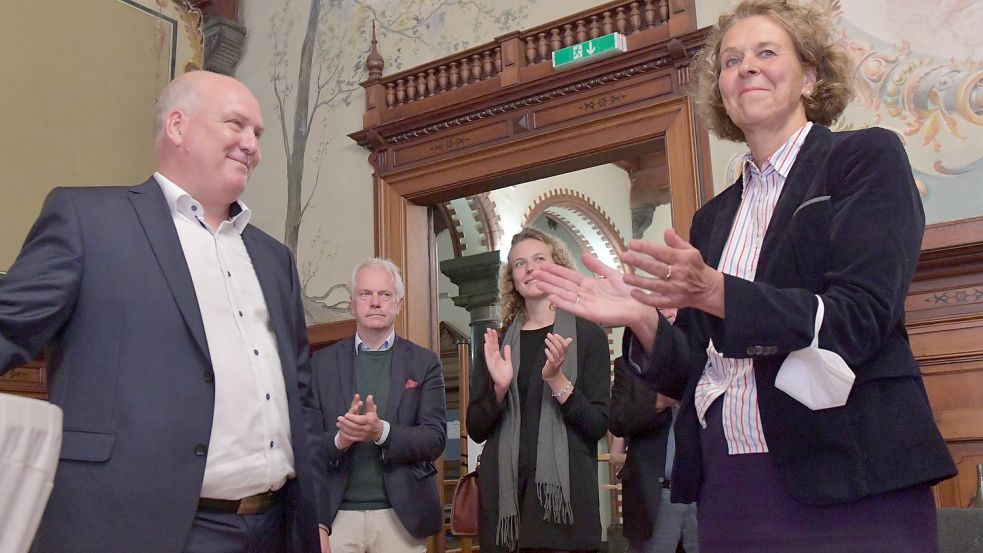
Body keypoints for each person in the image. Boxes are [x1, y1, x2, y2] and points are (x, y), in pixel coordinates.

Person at [533, 1, 958, 551]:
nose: (746, 67)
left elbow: (860, 317)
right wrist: (643, 321)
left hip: (849, 477)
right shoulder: (712, 218)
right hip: (729, 484)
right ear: (722, 94)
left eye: (765, 53)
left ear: (809, 75)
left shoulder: (863, 159)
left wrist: (717, 292)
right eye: (731, 61)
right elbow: (694, 367)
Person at [0, 70, 320, 552]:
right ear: (177, 125)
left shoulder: (276, 259)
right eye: (237, 124)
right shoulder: (88, 222)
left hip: (274, 528)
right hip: (132, 526)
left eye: (257, 133)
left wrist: (314, 514)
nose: (252, 144)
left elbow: (300, 390)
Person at [467, 227, 610, 553]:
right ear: (512, 279)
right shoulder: (498, 342)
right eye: (519, 264)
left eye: (539, 259)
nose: (529, 268)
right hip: (506, 509)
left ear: (557, 265)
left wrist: (558, 381)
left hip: (565, 509)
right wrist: (500, 389)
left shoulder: (588, 336)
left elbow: (598, 425)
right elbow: (475, 428)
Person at [309, 258, 447, 553]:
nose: (375, 303)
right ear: (352, 304)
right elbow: (305, 445)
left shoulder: (425, 363)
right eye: (365, 294)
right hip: (336, 516)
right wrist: (340, 439)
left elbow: (434, 439)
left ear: (398, 303)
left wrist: (381, 431)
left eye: (384, 295)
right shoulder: (320, 364)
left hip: (401, 518)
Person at [610, 312, 698, 553]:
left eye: (674, 305)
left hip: (703, 495)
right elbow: (618, 421)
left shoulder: (707, 361)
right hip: (654, 497)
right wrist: (660, 400)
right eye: (659, 305)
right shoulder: (628, 365)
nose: (668, 312)